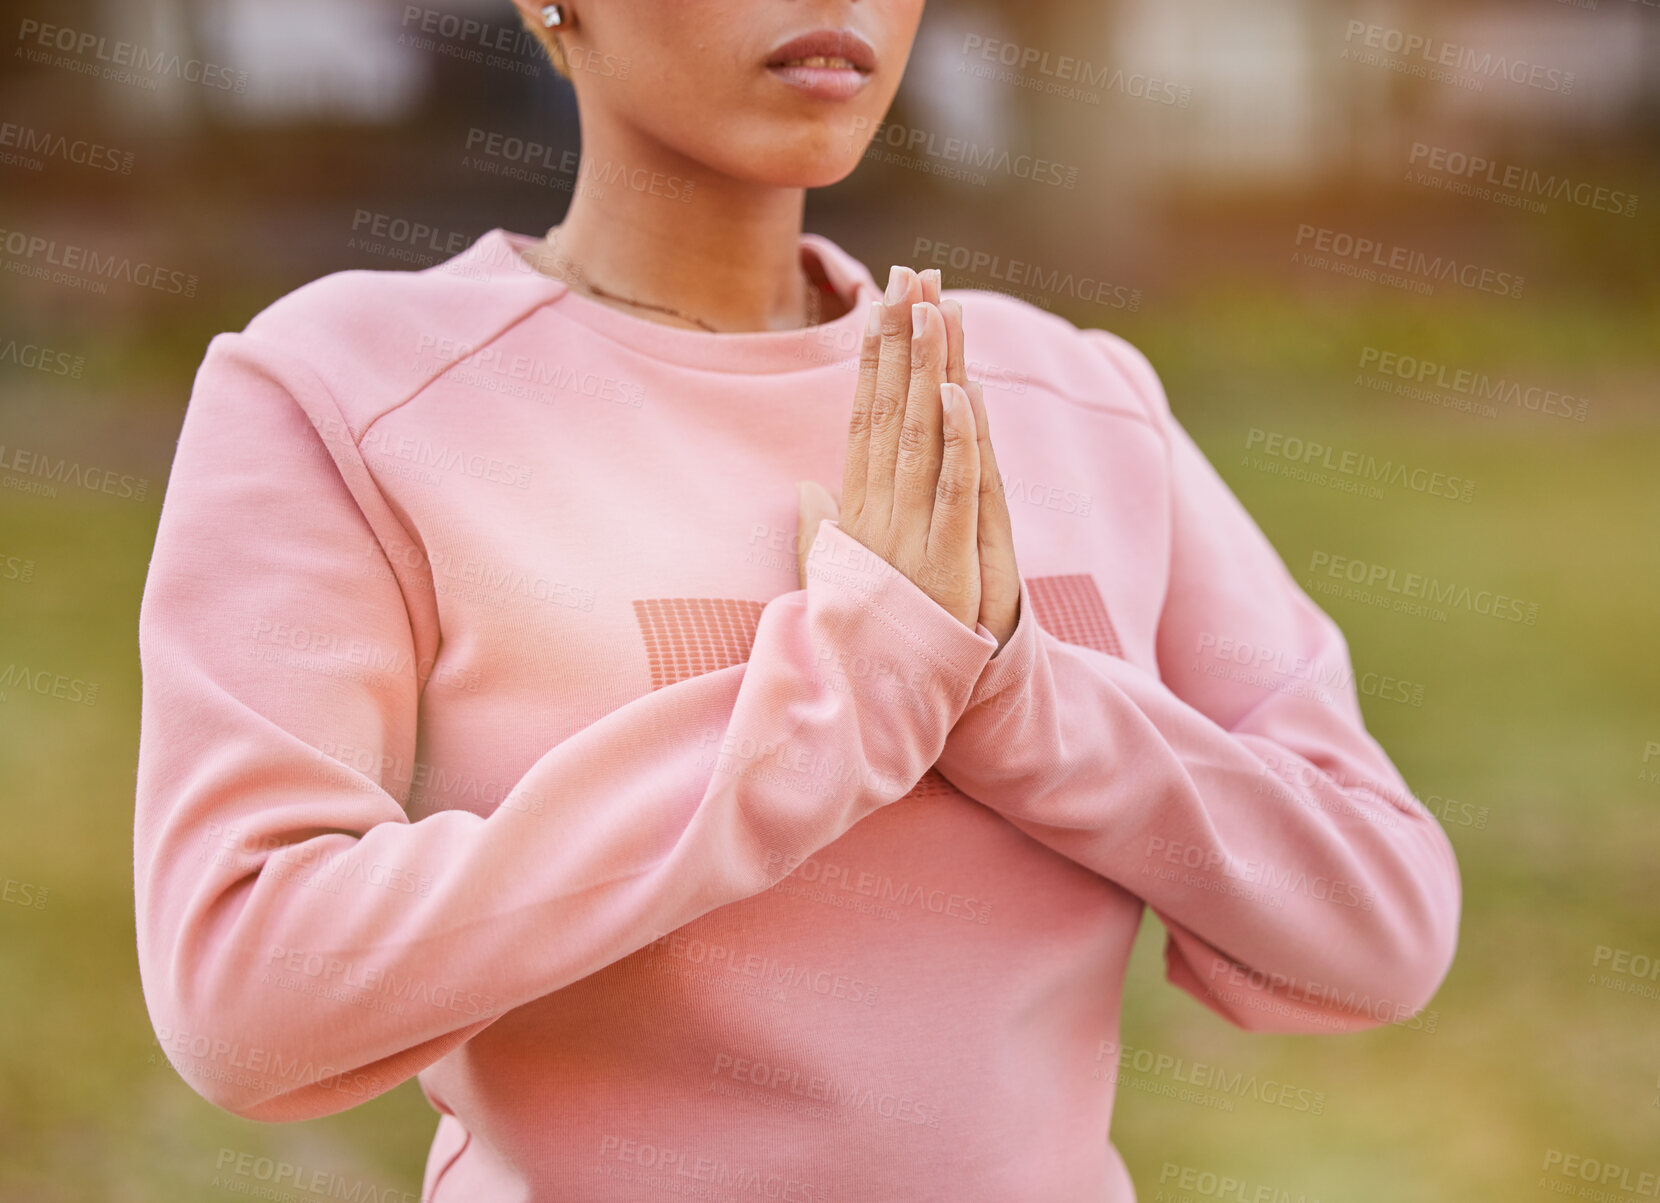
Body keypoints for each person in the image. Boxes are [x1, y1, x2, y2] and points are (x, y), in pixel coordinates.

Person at [132, 2, 1462, 1199]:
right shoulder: (345, 388)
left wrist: (1018, 701)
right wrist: (840, 704)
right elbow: (250, 992)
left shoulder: (1074, 394)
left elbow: (1377, 930)